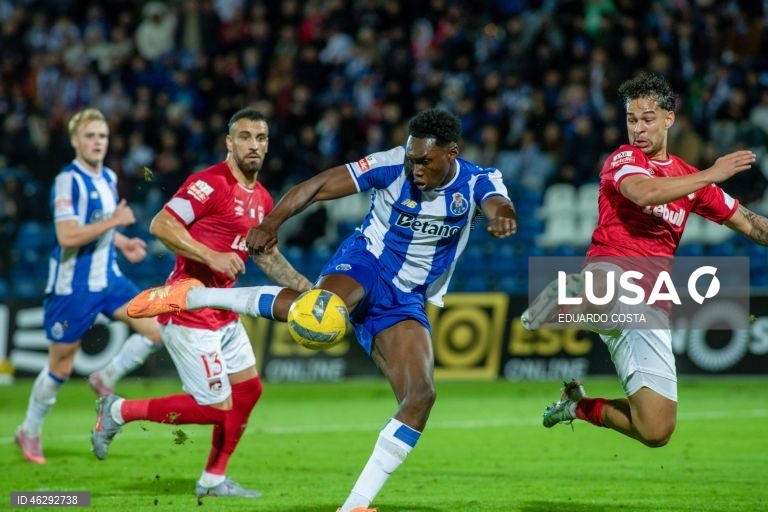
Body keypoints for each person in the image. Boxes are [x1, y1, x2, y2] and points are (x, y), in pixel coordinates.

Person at [124, 108, 517, 511]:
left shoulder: (478, 180)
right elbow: (316, 187)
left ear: (452, 153)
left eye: (424, 161)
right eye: (411, 158)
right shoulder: (389, 165)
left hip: (407, 298)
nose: (414, 167)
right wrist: (273, 221)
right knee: (318, 312)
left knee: (420, 397)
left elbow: (498, 203)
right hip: (367, 263)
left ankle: (355, 505)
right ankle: (193, 295)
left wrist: (502, 216)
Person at [522, 73, 759, 447]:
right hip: (612, 272)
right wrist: (712, 172)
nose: (638, 128)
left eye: (647, 118)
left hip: (649, 308)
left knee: (656, 430)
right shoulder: (624, 159)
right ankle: (571, 298)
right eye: (632, 119)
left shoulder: (690, 181)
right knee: (605, 284)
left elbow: (753, 226)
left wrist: (706, 180)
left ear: (669, 118)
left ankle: (576, 405)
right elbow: (644, 193)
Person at [91, 107, 313, 499]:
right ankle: (117, 411)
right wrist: (209, 256)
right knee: (214, 407)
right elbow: (161, 223)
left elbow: (264, 255)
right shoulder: (209, 184)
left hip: (224, 315)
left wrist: (305, 288)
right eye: (244, 137)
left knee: (249, 391)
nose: (253, 145)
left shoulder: (262, 198)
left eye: (260, 138)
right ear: (229, 142)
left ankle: (213, 480)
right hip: (190, 310)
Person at [14, 108, 163, 464]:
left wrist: (121, 240)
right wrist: (114, 221)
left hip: (109, 281)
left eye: (102, 136)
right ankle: (29, 431)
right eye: (90, 136)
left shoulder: (108, 177)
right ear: (75, 141)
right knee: (60, 368)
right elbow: (67, 236)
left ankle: (105, 376)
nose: (97, 142)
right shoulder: (68, 180)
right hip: (73, 288)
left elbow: (99, 226)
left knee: (158, 330)